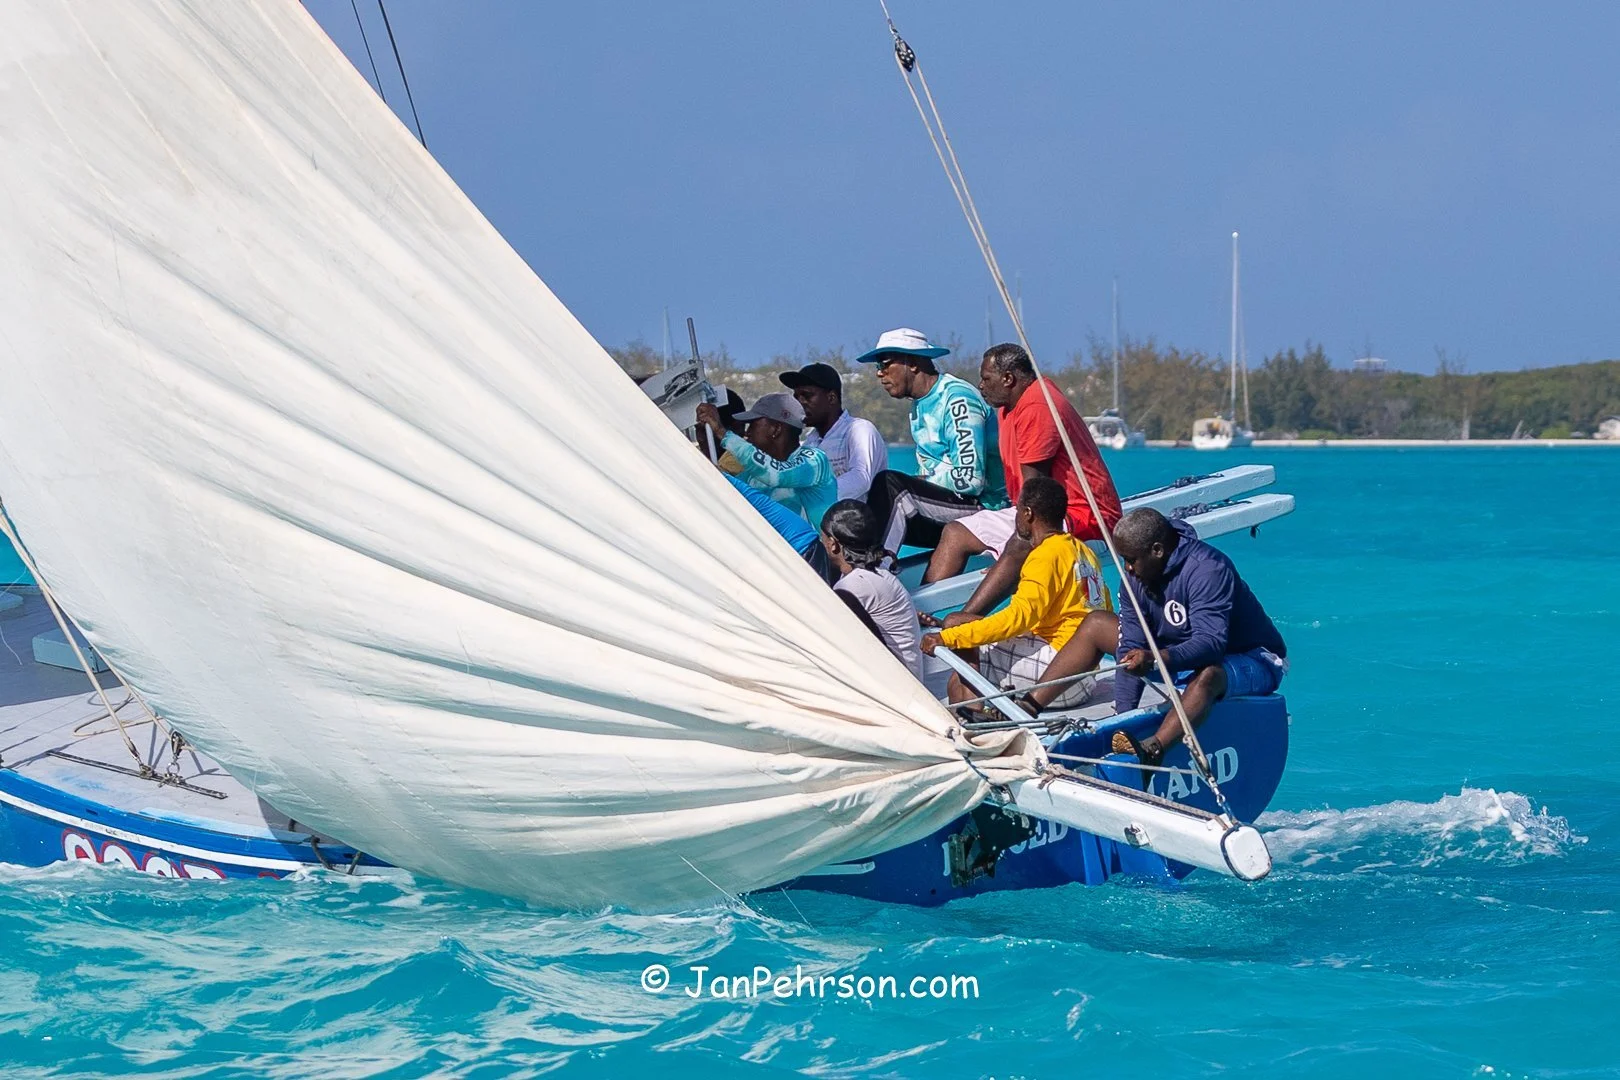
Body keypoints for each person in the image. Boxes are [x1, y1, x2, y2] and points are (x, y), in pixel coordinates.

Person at [924, 344, 1123, 616]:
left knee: (1020, 543)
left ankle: (963, 621)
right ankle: (922, 616)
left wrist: (1008, 546)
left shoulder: (1037, 406)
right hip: (1040, 506)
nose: (980, 386)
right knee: (956, 533)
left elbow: (1035, 495)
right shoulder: (1010, 405)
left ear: (1008, 379)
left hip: (1084, 515)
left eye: (986, 379)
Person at [1106, 507, 1288, 765]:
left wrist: (1155, 659)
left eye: (1131, 560)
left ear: (1157, 551)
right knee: (1096, 626)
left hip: (1252, 659)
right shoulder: (1134, 579)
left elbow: (1211, 644)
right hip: (1181, 657)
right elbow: (1131, 647)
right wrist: (1123, 722)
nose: (1127, 568)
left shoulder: (1208, 569)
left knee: (1209, 674)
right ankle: (1033, 709)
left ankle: (1153, 751)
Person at [919, 476, 1109, 711]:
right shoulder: (1082, 552)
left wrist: (946, 637)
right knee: (960, 627)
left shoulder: (1044, 556)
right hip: (1084, 674)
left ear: (1027, 514)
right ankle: (972, 715)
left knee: (957, 633)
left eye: (1016, 510)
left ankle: (971, 723)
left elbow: (1017, 619)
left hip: (1056, 678)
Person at [858, 328, 1007, 556]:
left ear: (914, 363)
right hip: (952, 505)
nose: (879, 373)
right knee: (863, 509)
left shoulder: (957, 399)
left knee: (890, 486)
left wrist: (919, 482)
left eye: (885, 364)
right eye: (878, 367)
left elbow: (971, 480)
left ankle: (876, 569)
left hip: (985, 507)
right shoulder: (919, 405)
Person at [696, 392, 837, 528]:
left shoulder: (815, 461)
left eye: (753, 425)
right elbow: (727, 490)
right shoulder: (752, 475)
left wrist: (722, 433)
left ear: (775, 429)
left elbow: (776, 475)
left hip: (813, 551)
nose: (747, 432)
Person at [819, 500, 925, 679]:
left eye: (821, 537)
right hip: (904, 679)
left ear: (833, 544)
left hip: (896, 688)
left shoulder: (853, 586)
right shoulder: (876, 570)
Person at [779, 362, 889, 501]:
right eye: (797, 397)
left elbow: (861, 478)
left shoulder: (859, 429)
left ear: (831, 398)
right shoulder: (810, 442)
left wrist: (813, 498)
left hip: (865, 521)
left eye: (806, 396)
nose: (799, 403)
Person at [720, 472, 838, 584]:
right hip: (793, 547)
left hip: (802, 548)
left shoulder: (720, 482)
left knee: (815, 601)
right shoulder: (721, 483)